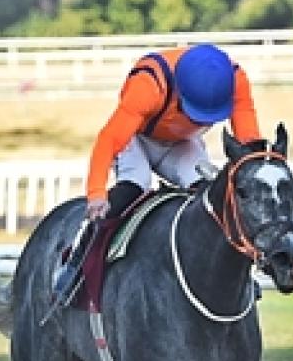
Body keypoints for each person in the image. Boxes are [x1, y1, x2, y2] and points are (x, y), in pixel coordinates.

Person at [50, 43, 264, 308]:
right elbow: (109, 139)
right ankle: (74, 263)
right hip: (136, 138)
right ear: (179, 89)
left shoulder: (236, 80)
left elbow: (248, 143)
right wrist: (96, 193)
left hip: (183, 144)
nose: (201, 120)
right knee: (135, 186)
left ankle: (239, 274)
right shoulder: (149, 85)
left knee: (214, 197)